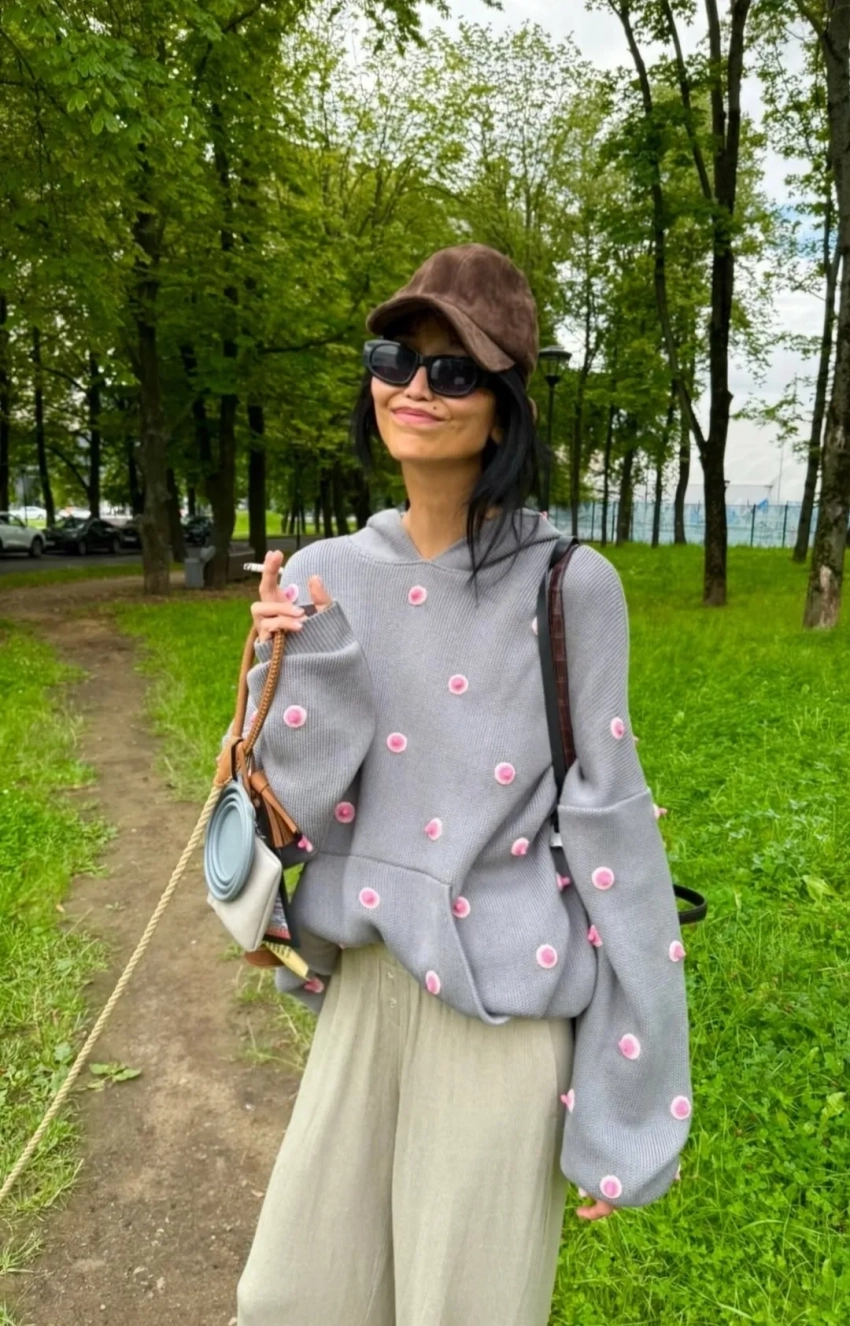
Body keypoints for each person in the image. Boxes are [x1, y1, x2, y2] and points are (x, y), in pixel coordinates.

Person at [235, 244, 691, 1326]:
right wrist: (284, 674)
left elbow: (614, 838)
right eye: (395, 359)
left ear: (505, 409)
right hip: (363, 991)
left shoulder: (571, 586)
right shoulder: (321, 575)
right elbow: (281, 814)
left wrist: (627, 1107)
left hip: (503, 1010)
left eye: (454, 371)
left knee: (463, 1309)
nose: (415, 389)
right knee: (291, 1297)